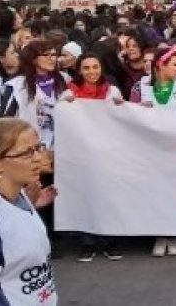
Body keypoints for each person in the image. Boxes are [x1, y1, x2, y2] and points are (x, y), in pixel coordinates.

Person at [129, 44, 176, 257]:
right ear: (160, 66)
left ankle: (174, 233)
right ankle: (158, 234)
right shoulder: (140, 87)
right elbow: (132, 115)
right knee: (155, 192)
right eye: (175, 64)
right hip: (151, 150)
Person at [0, 116, 58, 306]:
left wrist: (29, 206)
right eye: (26, 153)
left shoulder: (20, 195)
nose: (39, 158)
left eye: (38, 148)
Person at [59, 54, 124, 262]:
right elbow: (62, 118)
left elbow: (121, 119)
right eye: (86, 68)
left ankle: (109, 241)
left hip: (108, 153)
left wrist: (121, 106)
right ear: (79, 70)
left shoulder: (111, 91)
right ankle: (88, 242)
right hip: (82, 154)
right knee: (86, 195)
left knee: (108, 196)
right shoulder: (70, 92)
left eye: (95, 67)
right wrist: (66, 105)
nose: (91, 72)